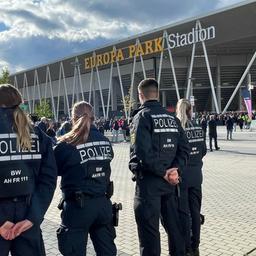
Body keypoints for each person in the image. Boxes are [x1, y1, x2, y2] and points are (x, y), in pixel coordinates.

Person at [129, 78, 190, 256]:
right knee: (175, 230)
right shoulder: (172, 118)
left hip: (149, 185)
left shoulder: (142, 117)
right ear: (156, 93)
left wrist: (163, 172)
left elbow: (141, 155)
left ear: (141, 95)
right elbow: (185, 149)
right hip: (171, 184)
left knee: (149, 236)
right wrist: (175, 170)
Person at [0, 84, 57, 256]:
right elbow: (48, 180)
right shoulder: (38, 134)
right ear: (20, 102)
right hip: (29, 210)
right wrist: (32, 218)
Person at [54, 101, 117, 256]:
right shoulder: (105, 141)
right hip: (103, 205)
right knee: (107, 251)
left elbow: (55, 169)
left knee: (73, 250)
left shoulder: (66, 143)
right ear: (93, 117)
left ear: (73, 118)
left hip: (78, 208)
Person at [176, 99, 207, 256]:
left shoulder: (178, 129)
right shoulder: (198, 127)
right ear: (190, 110)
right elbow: (204, 151)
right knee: (196, 211)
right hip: (197, 176)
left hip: (182, 177)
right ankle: (196, 244)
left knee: (184, 212)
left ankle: (187, 246)